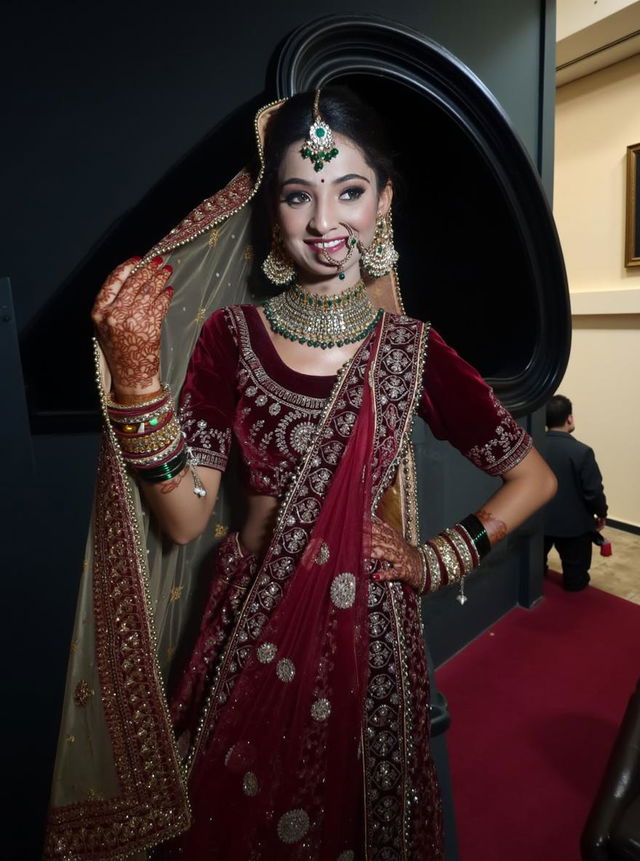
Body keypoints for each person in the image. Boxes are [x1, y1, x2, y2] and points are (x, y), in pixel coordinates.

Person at [45, 88, 556, 860]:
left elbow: (535, 479)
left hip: (367, 643)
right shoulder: (232, 337)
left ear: (382, 201)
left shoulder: (412, 350)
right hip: (248, 619)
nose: (324, 223)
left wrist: (435, 558)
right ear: (270, 209)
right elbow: (185, 518)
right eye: (298, 195)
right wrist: (138, 384)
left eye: (349, 191)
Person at [543, 394, 607, 591]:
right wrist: (601, 514)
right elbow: (593, 491)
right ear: (569, 418)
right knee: (576, 581)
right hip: (574, 527)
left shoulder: (532, 447)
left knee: (535, 574)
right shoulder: (582, 452)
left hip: (538, 522)